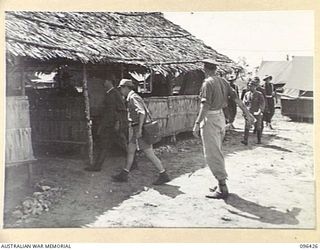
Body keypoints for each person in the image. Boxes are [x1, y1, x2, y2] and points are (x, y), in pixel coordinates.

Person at [192, 59, 255, 199]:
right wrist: (247, 113)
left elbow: (205, 106)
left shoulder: (207, 83)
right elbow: (236, 99)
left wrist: (197, 123)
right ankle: (219, 182)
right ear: (215, 69)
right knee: (217, 150)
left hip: (211, 119)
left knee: (212, 153)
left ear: (204, 69)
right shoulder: (223, 81)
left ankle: (222, 188)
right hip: (220, 118)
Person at [112, 79, 170, 185]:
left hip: (140, 129)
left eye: (121, 88)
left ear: (126, 88)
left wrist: (139, 130)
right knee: (130, 150)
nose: (120, 90)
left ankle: (163, 174)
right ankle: (124, 174)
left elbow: (142, 113)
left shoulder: (133, 98)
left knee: (149, 153)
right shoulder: (132, 97)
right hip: (136, 129)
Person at [85, 80, 128, 171]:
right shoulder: (109, 93)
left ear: (110, 82)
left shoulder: (115, 93)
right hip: (108, 124)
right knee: (106, 145)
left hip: (113, 124)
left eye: (106, 81)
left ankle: (97, 166)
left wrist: (117, 122)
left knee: (120, 144)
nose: (104, 83)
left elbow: (121, 109)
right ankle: (97, 166)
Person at [241, 79, 265, 145]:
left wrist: (260, 111)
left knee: (258, 126)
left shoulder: (259, 94)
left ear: (255, 87)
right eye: (249, 86)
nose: (250, 87)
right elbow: (244, 103)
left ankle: (259, 140)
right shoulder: (247, 94)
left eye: (251, 86)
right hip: (249, 112)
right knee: (247, 126)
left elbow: (262, 104)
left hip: (256, 112)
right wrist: (244, 112)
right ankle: (245, 140)